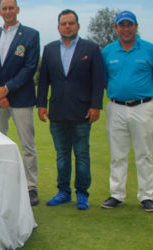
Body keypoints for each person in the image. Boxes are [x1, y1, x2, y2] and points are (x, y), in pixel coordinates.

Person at [37, 9, 105, 210]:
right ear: (58, 27)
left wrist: (95, 105)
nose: (67, 26)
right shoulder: (49, 49)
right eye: (64, 23)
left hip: (83, 111)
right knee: (62, 155)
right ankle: (63, 192)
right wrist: (41, 104)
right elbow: (43, 81)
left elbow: (98, 79)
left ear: (78, 25)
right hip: (57, 111)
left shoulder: (91, 48)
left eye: (71, 23)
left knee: (82, 155)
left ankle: (82, 193)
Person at [0, 0, 40, 205]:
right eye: (4, 8)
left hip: (21, 97)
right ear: (0, 12)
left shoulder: (31, 35)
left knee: (27, 144)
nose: (8, 12)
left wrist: (7, 89)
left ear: (17, 10)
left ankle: (30, 186)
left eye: (11, 8)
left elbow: (30, 67)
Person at [101, 10, 153, 213]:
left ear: (136, 26)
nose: (125, 29)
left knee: (145, 153)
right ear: (116, 28)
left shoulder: (148, 49)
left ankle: (147, 195)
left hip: (143, 106)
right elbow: (105, 80)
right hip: (116, 107)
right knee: (118, 154)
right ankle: (117, 194)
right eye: (121, 25)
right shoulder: (108, 51)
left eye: (129, 25)